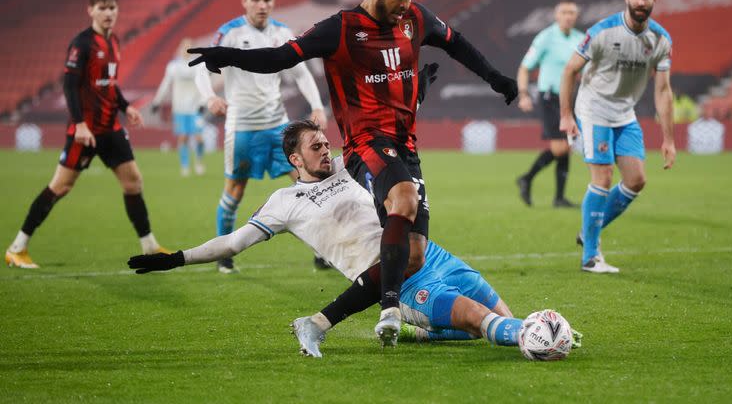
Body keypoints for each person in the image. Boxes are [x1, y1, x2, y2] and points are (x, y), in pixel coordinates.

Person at [187, 0, 517, 345]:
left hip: (406, 146)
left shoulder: (415, 20)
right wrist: (229, 56)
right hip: (366, 145)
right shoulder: (340, 29)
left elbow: (456, 43)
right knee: (404, 199)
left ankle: (372, 325)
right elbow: (281, 57)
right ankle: (390, 308)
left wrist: (494, 77)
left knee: (414, 255)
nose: (406, 6)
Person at [128, 120, 582, 358]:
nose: (326, 150)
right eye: (315, 147)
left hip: (430, 254)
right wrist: (174, 259)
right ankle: (541, 340)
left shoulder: (349, 166)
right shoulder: (283, 202)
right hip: (396, 282)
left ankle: (512, 333)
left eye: (326, 144)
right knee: (478, 319)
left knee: (501, 314)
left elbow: (384, 140)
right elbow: (230, 244)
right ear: (294, 157)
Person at [5, 0, 169, 269]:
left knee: (133, 182)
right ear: (90, 10)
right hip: (86, 131)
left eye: (112, 8)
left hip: (110, 129)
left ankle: (150, 246)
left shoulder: (114, 41)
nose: (108, 14)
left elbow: (109, 83)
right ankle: (17, 247)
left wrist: (126, 107)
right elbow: (69, 85)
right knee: (61, 186)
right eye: (103, 8)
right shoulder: (82, 44)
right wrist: (80, 124)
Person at [194, 0, 327, 274]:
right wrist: (208, 97)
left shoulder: (281, 32)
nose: (262, 5)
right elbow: (202, 67)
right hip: (242, 128)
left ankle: (323, 251)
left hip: (278, 128)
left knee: (309, 185)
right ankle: (223, 254)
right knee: (235, 190)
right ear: (244, 2)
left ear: (273, 1)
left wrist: (317, 105)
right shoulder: (228, 33)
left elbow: (302, 73)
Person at [559, 0, 676, 274]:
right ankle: (590, 256)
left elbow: (663, 91)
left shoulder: (660, 40)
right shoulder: (602, 32)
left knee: (636, 180)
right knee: (603, 177)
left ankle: (588, 231)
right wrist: (567, 115)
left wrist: (669, 139)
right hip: (594, 109)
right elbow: (569, 71)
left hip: (625, 113)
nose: (640, 2)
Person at [515, 0, 584, 208]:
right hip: (549, 97)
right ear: (556, 15)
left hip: (570, 99)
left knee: (566, 146)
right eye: (564, 12)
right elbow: (525, 68)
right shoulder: (546, 37)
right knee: (560, 147)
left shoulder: (581, 39)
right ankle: (527, 178)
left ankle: (559, 198)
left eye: (572, 12)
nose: (568, 16)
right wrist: (524, 94)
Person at [151, 38, 206, 177]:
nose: (187, 49)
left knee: (199, 139)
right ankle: (185, 166)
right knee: (183, 138)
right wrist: (157, 101)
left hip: (195, 107)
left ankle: (199, 162)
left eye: (189, 46)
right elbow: (165, 83)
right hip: (180, 109)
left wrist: (203, 102)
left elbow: (204, 84)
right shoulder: (174, 66)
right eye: (184, 47)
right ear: (180, 49)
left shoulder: (198, 65)